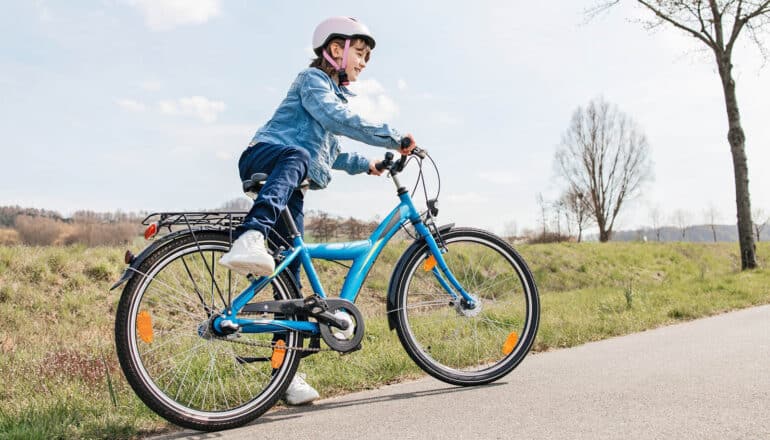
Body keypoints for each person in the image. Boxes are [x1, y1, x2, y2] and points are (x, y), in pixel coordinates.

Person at [218, 16, 416, 405]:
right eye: (359, 53)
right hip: (269, 157)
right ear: (335, 49)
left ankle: (285, 375)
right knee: (298, 155)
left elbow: (335, 151)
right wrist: (393, 135)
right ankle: (251, 233)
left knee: (288, 281)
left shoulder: (332, 97)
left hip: (291, 183)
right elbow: (335, 119)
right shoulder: (313, 83)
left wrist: (371, 164)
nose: (362, 63)